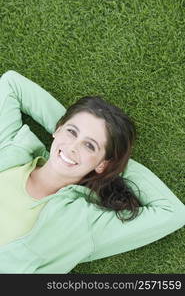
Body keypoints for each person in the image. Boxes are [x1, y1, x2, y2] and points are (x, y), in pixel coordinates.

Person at [0, 70, 184, 274]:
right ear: (58, 128)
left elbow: (172, 212)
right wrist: (63, 128)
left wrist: (117, 163)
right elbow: (11, 83)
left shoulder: (85, 222)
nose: (72, 148)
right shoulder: (11, 148)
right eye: (72, 132)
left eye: (90, 145)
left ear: (102, 164)